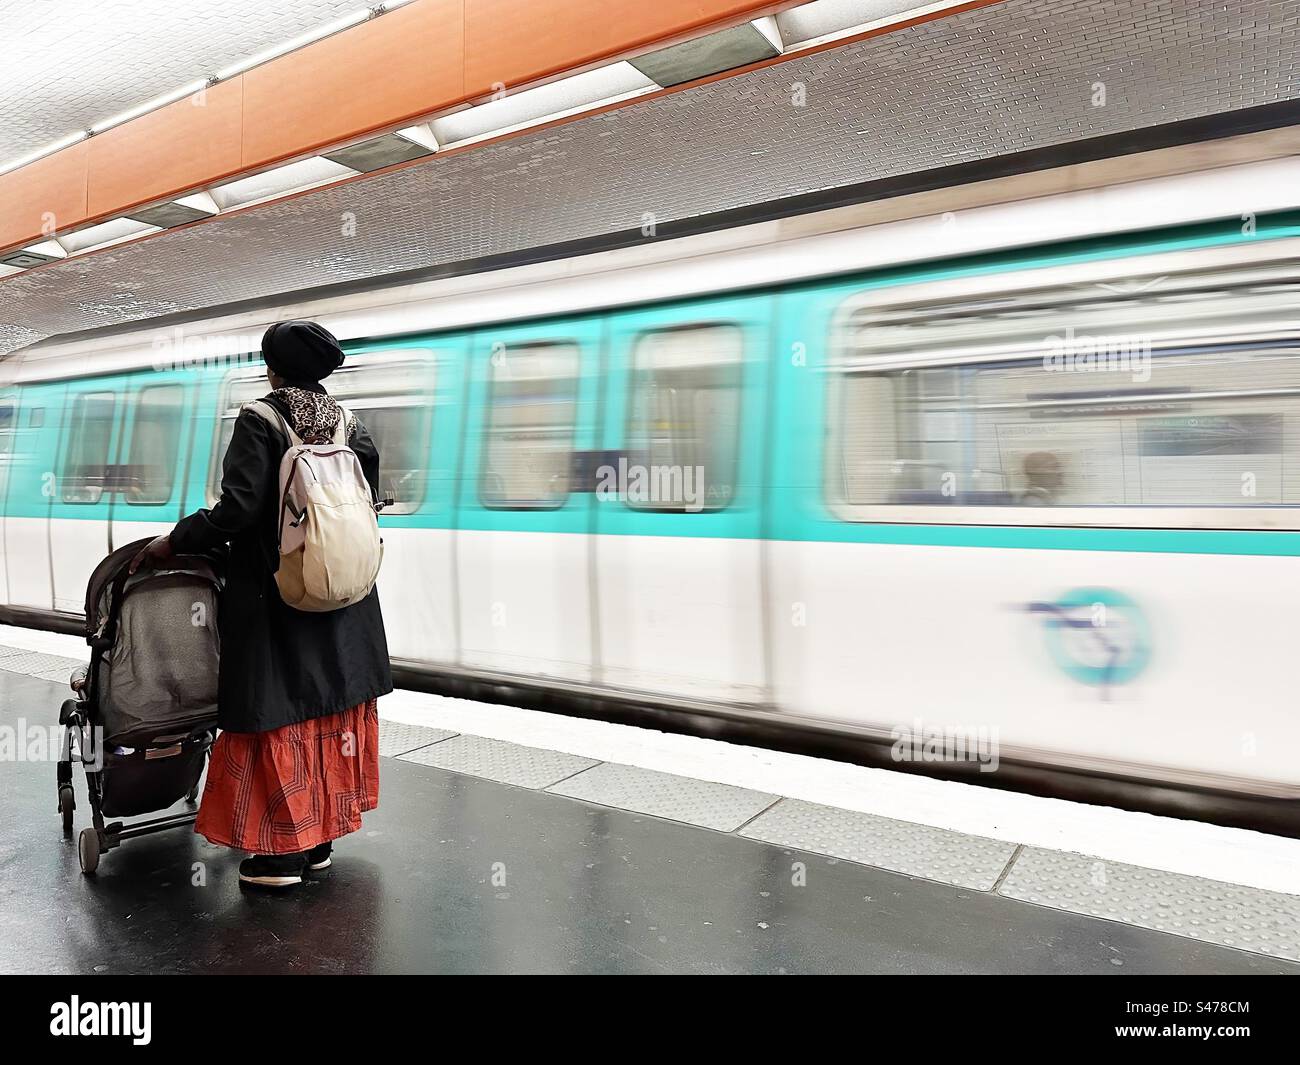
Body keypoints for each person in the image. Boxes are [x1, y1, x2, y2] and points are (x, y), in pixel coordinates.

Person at [131, 321, 392, 888]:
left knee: (276, 712)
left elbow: (238, 508)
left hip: (275, 596)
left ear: (271, 367)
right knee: (327, 707)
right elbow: (372, 493)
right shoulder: (348, 423)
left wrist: (176, 539)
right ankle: (318, 841)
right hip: (343, 593)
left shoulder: (262, 418)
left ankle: (279, 855)